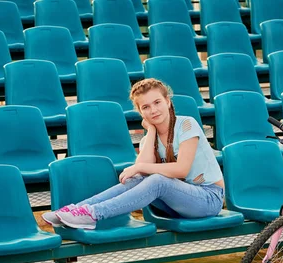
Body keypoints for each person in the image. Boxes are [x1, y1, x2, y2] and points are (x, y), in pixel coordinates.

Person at [42, 78, 224, 230]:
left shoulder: (187, 125)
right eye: (145, 107)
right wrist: (151, 132)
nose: (153, 110)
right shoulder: (149, 138)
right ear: (140, 112)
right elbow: (140, 175)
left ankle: (93, 214)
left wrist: (139, 166)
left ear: (168, 101)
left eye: (157, 102)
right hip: (175, 203)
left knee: (157, 180)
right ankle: (77, 209)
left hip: (208, 198)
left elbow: (181, 170)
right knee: (138, 179)